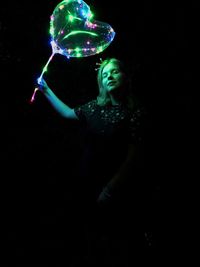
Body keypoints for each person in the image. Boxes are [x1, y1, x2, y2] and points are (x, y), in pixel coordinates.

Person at [37, 57, 150, 265]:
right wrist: (45, 89)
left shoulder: (135, 111)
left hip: (118, 190)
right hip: (88, 183)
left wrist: (110, 189)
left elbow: (135, 155)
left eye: (114, 72)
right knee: (91, 241)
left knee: (118, 242)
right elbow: (68, 113)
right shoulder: (94, 108)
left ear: (125, 76)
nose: (109, 76)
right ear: (101, 83)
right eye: (105, 74)